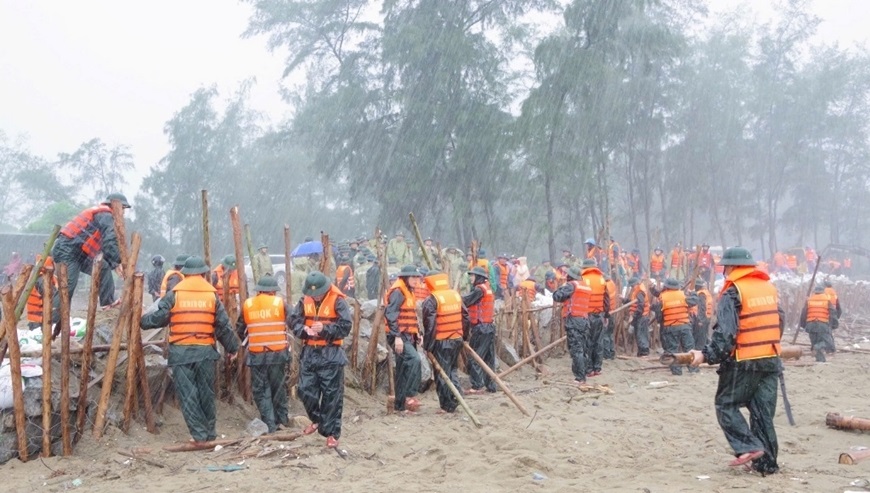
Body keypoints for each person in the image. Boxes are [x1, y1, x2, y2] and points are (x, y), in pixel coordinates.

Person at [689, 246, 783, 474]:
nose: (724, 272)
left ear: (731, 267)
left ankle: (748, 447)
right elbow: (779, 320)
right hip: (771, 358)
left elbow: (726, 334)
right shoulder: (768, 288)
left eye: (725, 268)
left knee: (726, 404)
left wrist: (707, 355)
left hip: (744, 359)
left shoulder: (733, 292)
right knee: (762, 413)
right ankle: (767, 464)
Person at [140, 256, 239, 444]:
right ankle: (210, 433)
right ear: (203, 273)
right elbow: (223, 326)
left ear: (185, 273)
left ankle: (199, 435)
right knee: (206, 393)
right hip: (205, 352)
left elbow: (159, 317)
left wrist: (142, 320)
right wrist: (232, 348)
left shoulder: (175, 294)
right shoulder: (211, 296)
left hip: (181, 353)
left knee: (188, 395)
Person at [289, 272, 352, 448]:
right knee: (304, 390)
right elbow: (293, 321)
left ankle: (331, 434)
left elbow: (345, 327)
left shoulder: (338, 301)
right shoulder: (304, 301)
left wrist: (325, 329)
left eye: (318, 293)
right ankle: (316, 420)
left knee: (332, 395)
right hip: (310, 352)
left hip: (331, 353)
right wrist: (304, 329)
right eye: (313, 293)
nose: (315, 296)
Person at [52, 193, 128, 308]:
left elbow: (104, 246)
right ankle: (53, 316)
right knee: (67, 286)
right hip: (67, 250)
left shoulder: (103, 215)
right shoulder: (106, 215)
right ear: (116, 206)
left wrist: (114, 264)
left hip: (79, 252)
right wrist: (117, 262)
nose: (124, 213)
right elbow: (109, 240)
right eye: (123, 209)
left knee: (102, 267)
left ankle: (108, 302)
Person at [237, 276, 291, 433]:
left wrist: (253, 340)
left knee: (261, 390)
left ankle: (269, 424)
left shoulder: (248, 304)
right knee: (278, 387)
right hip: (278, 353)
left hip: (257, 354)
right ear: (273, 291)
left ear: (259, 291)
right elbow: (294, 321)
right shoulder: (280, 303)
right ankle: (282, 420)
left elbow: (240, 328)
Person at [421, 271, 469, 413]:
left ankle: (447, 405)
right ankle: (456, 396)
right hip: (457, 338)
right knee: (452, 369)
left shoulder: (432, 300)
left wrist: (428, 346)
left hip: (442, 340)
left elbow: (430, 325)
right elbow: (465, 317)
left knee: (441, 373)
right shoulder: (455, 295)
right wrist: (464, 337)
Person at [385, 265, 423, 412]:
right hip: (399, 336)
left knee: (402, 369)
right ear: (405, 278)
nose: (416, 280)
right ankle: (409, 395)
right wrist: (397, 337)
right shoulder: (398, 292)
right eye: (413, 277)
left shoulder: (409, 291)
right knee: (414, 360)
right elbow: (390, 314)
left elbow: (411, 315)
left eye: (417, 277)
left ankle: (399, 406)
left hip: (408, 335)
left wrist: (418, 333)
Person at [552, 267, 593, 385]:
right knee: (583, 348)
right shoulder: (586, 286)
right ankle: (585, 372)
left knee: (576, 349)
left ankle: (580, 378)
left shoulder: (572, 285)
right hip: (584, 319)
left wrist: (561, 287)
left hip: (573, 320)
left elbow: (557, 296)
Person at [462, 266, 497, 394]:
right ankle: (491, 385)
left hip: (481, 328)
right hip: (489, 327)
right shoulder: (487, 288)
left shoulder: (479, 290)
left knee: (474, 357)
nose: (471, 278)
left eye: (472, 276)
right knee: (488, 358)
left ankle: (477, 386)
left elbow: (466, 301)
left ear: (478, 277)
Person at [658, 277, 696, 375]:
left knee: (672, 350)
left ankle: (677, 372)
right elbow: (694, 301)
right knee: (689, 348)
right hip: (684, 326)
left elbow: (659, 316)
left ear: (666, 286)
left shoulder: (662, 297)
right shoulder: (683, 295)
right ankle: (693, 369)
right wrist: (693, 293)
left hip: (670, 327)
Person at [580, 259, 609, 377]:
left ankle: (589, 369)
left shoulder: (582, 279)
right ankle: (597, 368)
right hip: (599, 314)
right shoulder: (602, 279)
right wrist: (606, 315)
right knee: (598, 342)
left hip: (586, 315)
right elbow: (606, 299)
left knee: (587, 342)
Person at [800, 284, 838, 361]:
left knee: (815, 343)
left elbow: (804, 313)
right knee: (828, 344)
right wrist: (834, 324)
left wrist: (803, 325)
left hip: (810, 324)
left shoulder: (809, 300)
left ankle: (820, 361)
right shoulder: (826, 300)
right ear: (823, 291)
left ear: (815, 292)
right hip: (822, 324)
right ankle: (819, 350)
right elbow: (832, 313)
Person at [25, 257, 60, 330]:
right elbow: (53, 298)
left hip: (39, 319)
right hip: (40, 322)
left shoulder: (40, 277)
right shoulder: (42, 280)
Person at [625, 277, 651, 356]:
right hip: (641, 316)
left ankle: (644, 352)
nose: (631, 287)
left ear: (635, 284)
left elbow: (640, 306)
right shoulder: (638, 291)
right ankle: (641, 352)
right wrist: (624, 300)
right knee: (640, 335)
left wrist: (634, 317)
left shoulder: (639, 292)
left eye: (632, 286)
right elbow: (634, 302)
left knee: (641, 335)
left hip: (642, 316)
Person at [691, 278, 713, 350]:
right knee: (704, 337)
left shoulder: (701, 294)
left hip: (702, 319)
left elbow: (702, 308)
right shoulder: (706, 293)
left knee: (700, 339)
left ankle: (699, 351)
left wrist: (700, 320)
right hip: (707, 318)